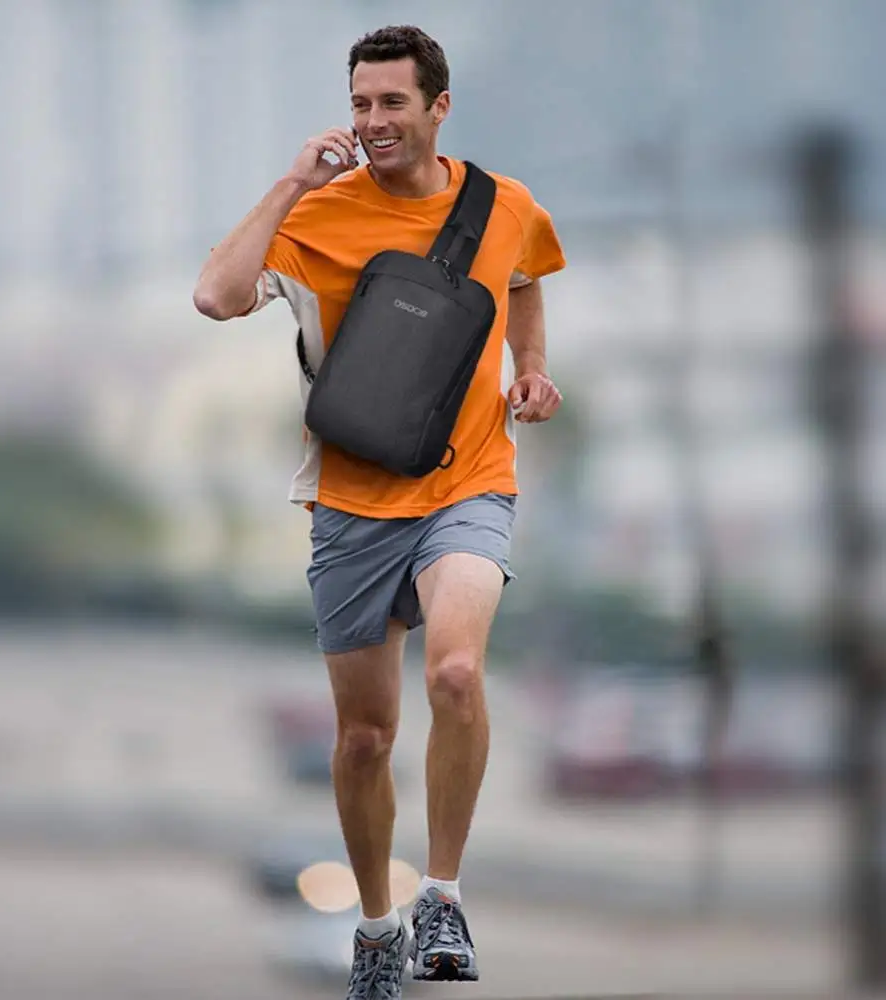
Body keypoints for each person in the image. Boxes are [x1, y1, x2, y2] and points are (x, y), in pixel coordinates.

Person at [194, 23, 565, 999]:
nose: (372, 121)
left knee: (455, 671)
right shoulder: (319, 215)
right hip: (351, 505)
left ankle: (441, 894)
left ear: (438, 107)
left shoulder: (503, 204)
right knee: (364, 737)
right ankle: (374, 925)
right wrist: (292, 184)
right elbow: (216, 296)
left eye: (392, 102)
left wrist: (531, 367)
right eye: (360, 103)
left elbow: (523, 278)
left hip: (468, 482)